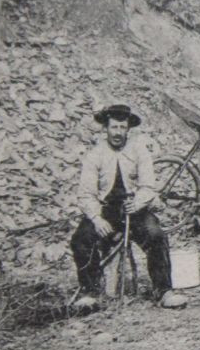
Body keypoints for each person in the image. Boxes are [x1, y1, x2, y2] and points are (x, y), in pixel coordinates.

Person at [69, 104, 188, 310]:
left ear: (128, 129)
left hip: (135, 210)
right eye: (114, 127)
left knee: (156, 235)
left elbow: (148, 186)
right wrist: (96, 219)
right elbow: (86, 193)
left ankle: (164, 291)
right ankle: (90, 292)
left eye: (122, 128)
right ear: (106, 128)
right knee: (81, 238)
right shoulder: (95, 155)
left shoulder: (139, 151)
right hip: (105, 211)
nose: (118, 133)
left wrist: (139, 202)